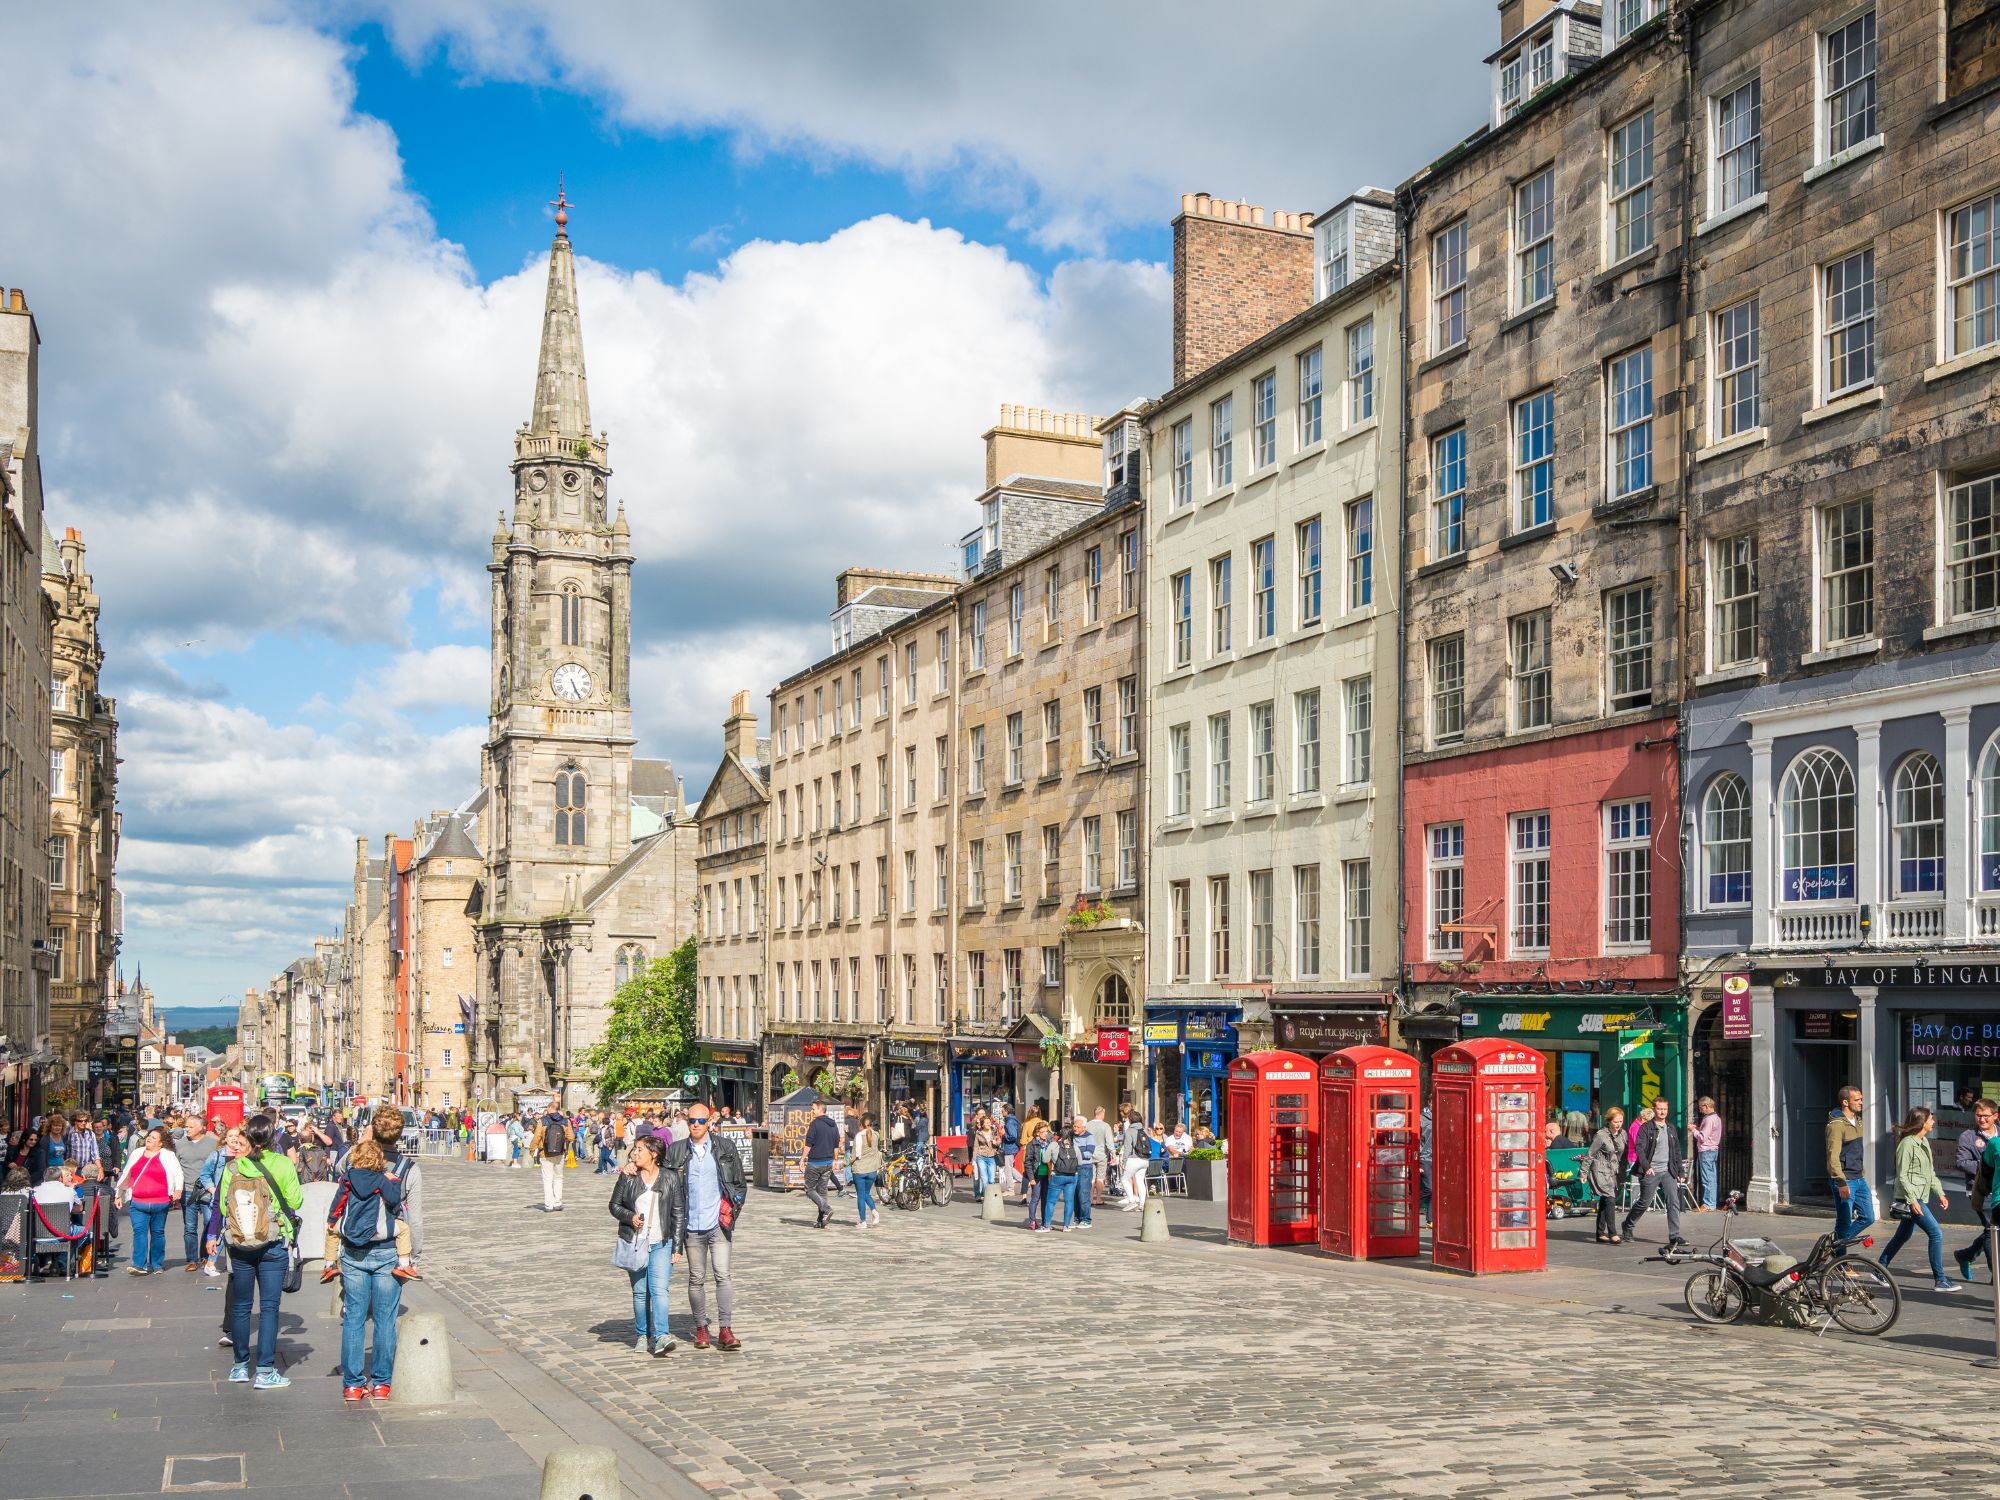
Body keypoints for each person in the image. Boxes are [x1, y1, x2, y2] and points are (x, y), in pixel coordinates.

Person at [210, 1114, 304, 1390]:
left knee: (241, 1306)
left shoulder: (234, 1166)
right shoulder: (282, 1163)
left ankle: (240, 1367)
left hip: (240, 1243)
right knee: (269, 1308)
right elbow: (296, 1200)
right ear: (273, 1137)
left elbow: (224, 1206)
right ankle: (265, 1371)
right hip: (273, 1242)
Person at [333, 1106, 419, 1400]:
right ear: (400, 1134)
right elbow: (414, 1218)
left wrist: (363, 1140)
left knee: (354, 1318)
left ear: (373, 1129)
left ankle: (353, 1385)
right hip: (388, 1249)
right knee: (385, 1319)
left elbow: (338, 1168)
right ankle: (382, 1383)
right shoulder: (408, 1168)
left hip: (354, 1250)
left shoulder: (355, 1161)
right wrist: (413, 1255)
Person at [662, 1103, 745, 1351]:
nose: (696, 1125)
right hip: (691, 1225)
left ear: (709, 1122)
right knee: (696, 1278)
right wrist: (632, 1167)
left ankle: (725, 1329)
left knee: (723, 1275)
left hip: (718, 1224)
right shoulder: (676, 1150)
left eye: (701, 1121)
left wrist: (732, 1210)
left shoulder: (725, 1147)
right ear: (687, 1122)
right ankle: (701, 1328)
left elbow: (739, 1184)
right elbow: (662, 1182)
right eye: (692, 1121)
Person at [611, 1136, 682, 1355]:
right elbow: (614, 1205)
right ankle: (642, 1335)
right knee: (640, 1292)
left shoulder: (670, 1177)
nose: (635, 1153)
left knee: (660, 1290)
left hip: (662, 1242)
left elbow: (678, 1212)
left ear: (654, 1153)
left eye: (640, 1150)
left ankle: (662, 1336)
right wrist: (630, 1216)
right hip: (636, 1242)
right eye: (635, 1150)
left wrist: (677, 1247)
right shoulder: (629, 1176)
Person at [1879, 1106, 1958, 1292]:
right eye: (1931, 1119)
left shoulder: (1923, 1142)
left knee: (1903, 1235)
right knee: (1936, 1233)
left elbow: (1930, 1173)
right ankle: (1940, 1280)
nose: (1933, 1122)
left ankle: (1879, 1269)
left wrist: (1940, 1193)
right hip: (1912, 1197)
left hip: (1919, 1195)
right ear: (1922, 1122)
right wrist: (1912, 1200)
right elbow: (1902, 1175)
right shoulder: (1907, 1144)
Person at [1620, 1097, 1689, 1252]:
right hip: (1650, 1171)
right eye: (1659, 1109)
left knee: (1673, 1201)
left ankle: (1674, 1235)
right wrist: (1647, 1166)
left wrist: (1680, 1171)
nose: (1662, 1112)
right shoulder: (1646, 1128)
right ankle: (1628, 1225)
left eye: (1665, 1109)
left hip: (1668, 1171)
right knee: (1644, 1202)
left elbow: (1676, 1152)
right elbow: (1639, 1149)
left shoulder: (1671, 1128)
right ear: (1654, 1109)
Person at [115, 1126, 183, 1274]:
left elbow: (178, 1173)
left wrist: (178, 1189)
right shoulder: (137, 1153)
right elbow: (126, 1174)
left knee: (157, 1233)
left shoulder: (168, 1155)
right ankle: (139, 1265)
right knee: (139, 1233)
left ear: (161, 1143)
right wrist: (118, 1194)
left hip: (160, 1202)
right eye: (149, 1136)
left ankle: (157, 1264)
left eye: (153, 1137)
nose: (149, 1139)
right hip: (138, 1201)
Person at [1954, 1096, 1999, 1283]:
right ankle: (1996, 1274)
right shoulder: (1968, 1136)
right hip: (1980, 1190)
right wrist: (1988, 1166)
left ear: (1995, 1116)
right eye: (1978, 1116)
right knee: (1991, 1229)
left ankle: (1966, 1254)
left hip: (1998, 1188)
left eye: (1986, 1116)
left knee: (1994, 1228)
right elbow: (1962, 1162)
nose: (1982, 1119)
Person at [170, 1117, 219, 1272]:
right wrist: (176, 1189)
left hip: (207, 1190)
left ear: (201, 1127)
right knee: (190, 1227)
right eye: (186, 1126)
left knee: (209, 1222)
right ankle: (192, 1259)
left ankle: (205, 1255)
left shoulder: (213, 1144)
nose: (187, 1129)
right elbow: (175, 1168)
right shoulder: (179, 1144)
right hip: (188, 1190)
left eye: (191, 1127)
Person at [1827, 1084, 1875, 1243]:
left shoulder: (1858, 1121)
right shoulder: (1837, 1125)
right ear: (1845, 1102)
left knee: (1868, 1217)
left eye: (1861, 1099)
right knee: (1844, 1221)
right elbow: (1833, 1156)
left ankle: (1836, 1245)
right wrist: (1841, 1182)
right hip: (1845, 1179)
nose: (1861, 1102)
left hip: (1859, 1178)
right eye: (1857, 1100)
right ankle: (1839, 1255)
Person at [1587, 1106, 1627, 1244]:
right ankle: (1612, 1233)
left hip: (1613, 1171)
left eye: (1620, 1121)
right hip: (1600, 1171)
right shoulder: (1600, 1135)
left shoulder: (1623, 1134)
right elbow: (1590, 1154)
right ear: (1609, 1121)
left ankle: (1600, 1233)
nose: (1618, 1124)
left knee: (1605, 1200)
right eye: (1615, 1121)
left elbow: (1623, 1154)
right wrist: (1583, 1173)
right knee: (1610, 1199)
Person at [801, 1099, 841, 1229]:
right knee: (822, 1191)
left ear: (820, 1109)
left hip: (815, 1162)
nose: (811, 1111)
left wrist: (802, 1159)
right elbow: (836, 1145)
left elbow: (808, 1144)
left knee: (809, 1189)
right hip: (828, 1162)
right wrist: (835, 1159)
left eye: (813, 1109)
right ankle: (821, 1220)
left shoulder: (815, 1124)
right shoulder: (833, 1125)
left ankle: (826, 1209)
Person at [850, 1113, 884, 1230]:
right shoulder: (876, 1135)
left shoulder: (859, 1136)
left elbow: (854, 1155)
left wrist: (842, 1164)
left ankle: (863, 1221)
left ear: (861, 1125)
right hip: (872, 1170)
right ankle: (874, 1211)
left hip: (860, 1170)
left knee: (861, 1195)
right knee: (865, 1193)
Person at [532, 1108, 569, 1212]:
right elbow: (571, 1136)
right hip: (559, 1153)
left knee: (547, 1179)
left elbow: (537, 1136)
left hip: (545, 1153)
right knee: (558, 1178)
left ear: (548, 1110)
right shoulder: (565, 1121)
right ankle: (558, 1203)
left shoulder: (542, 1121)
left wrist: (532, 1149)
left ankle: (549, 1205)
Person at [1691, 1096, 1723, 1210]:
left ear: (1705, 1106)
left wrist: (1693, 1130)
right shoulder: (1717, 1118)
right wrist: (1698, 1128)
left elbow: (1702, 1137)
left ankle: (1708, 1204)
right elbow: (1709, 1134)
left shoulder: (1709, 1119)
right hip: (1713, 1150)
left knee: (1707, 1178)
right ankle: (1711, 1203)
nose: (1700, 1110)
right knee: (1712, 1178)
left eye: (1701, 1108)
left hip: (1706, 1151)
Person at [1022, 1121, 1054, 1231]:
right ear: (1037, 1132)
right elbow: (1028, 1162)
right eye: (1043, 1131)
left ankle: (1045, 1222)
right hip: (1037, 1175)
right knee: (1035, 1198)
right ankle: (1032, 1221)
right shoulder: (1032, 1144)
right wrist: (1031, 1178)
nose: (1045, 1134)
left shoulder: (1050, 1143)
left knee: (1045, 1199)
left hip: (1047, 1175)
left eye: (1046, 1131)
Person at [1068, 1116, 1097, 1228]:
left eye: (1077, 1127)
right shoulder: (1071, 1136)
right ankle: (1077, 1218)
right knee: (1074, 1194)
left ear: (1084, 1127)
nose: (1075, 1128)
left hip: (1084, 1168)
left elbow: (1089, 1154)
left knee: (1083, 1194)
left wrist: (1074, 1152)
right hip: (1073, 1168)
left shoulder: (1089, 1137)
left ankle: (1086, 1219)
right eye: (1074, 1126)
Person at [1118, 1109, 1150, 1210]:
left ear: (1130, 1120)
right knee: (1140, 1181)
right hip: (1145, 1159)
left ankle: (1132, 1201)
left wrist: (1124, 1161)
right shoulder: (1144, 1130)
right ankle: (1142, 1204)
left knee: (1124, 1179)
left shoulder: (1130, 1131)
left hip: (1134, 1159)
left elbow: (1127, 1148)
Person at [1087, 1107, 1118, 1205]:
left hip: (1089, 1154)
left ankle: (1090, 1198)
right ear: (1102, 1114)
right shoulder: (1106, 1126)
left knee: (1091, 1178)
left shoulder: (1087, 1125)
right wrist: (1113, 1154)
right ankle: (1098, 1198)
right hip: (1101, 1155)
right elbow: (1109, 1142)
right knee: (1100, 1178)